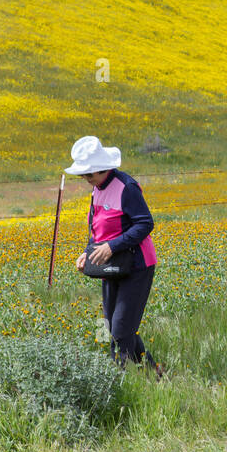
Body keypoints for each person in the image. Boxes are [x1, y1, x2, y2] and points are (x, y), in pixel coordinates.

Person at [66, 135, 163, 379]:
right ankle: (153, 374)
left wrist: (111, 247)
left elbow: (145, 224)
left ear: (103, 169)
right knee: (116, 328)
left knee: (120, 330)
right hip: (111, 266)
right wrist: (87, 253)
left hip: (138, 266)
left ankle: (116, 381)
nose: (87, 180)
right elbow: (97, 229)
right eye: (84, 176)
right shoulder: (97, 190)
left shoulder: (126, 187)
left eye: (89, 175)